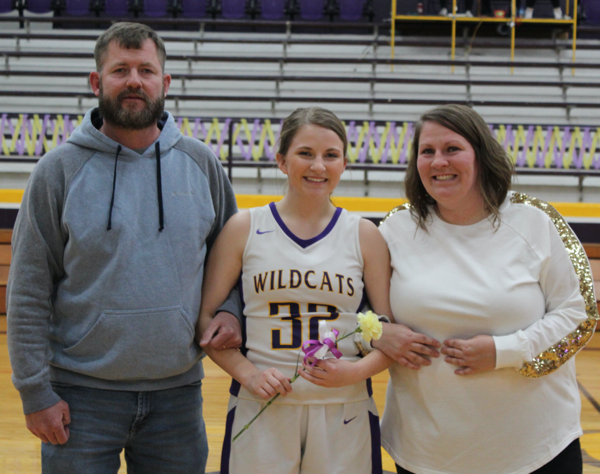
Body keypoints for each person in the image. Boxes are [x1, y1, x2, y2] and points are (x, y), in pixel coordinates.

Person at [7, 22, 242, 474]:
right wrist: (36, 394)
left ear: (165, 83)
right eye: (120, 70)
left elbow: (234, 262)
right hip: (80, 398)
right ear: (97, 82)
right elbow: (28, 293)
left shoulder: (201, 164)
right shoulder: (56, 171)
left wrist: (230, 310)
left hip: (178, 398)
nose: (134, 81)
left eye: (146, 70)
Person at [375, 104, 597, 474]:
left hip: (536, 450)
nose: (438, 161)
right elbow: (359, 313)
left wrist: (503, 351)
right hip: (425, 452)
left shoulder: (537, 220)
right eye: (426, 151)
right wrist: (381, 334)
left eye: (452, 149)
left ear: (481, 154)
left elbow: (579, 315)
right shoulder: (395, 228)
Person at [197, 107, 394, 474]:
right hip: (261, 403)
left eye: (330, 155)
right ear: (282, 160)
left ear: (344, 165)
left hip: (344, 408)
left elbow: (389, 335)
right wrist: (249, 374)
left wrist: (354, 373)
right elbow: (205, 322)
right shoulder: (244, 227)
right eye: (306, 153)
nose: (318, 166)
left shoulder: (364, 235)